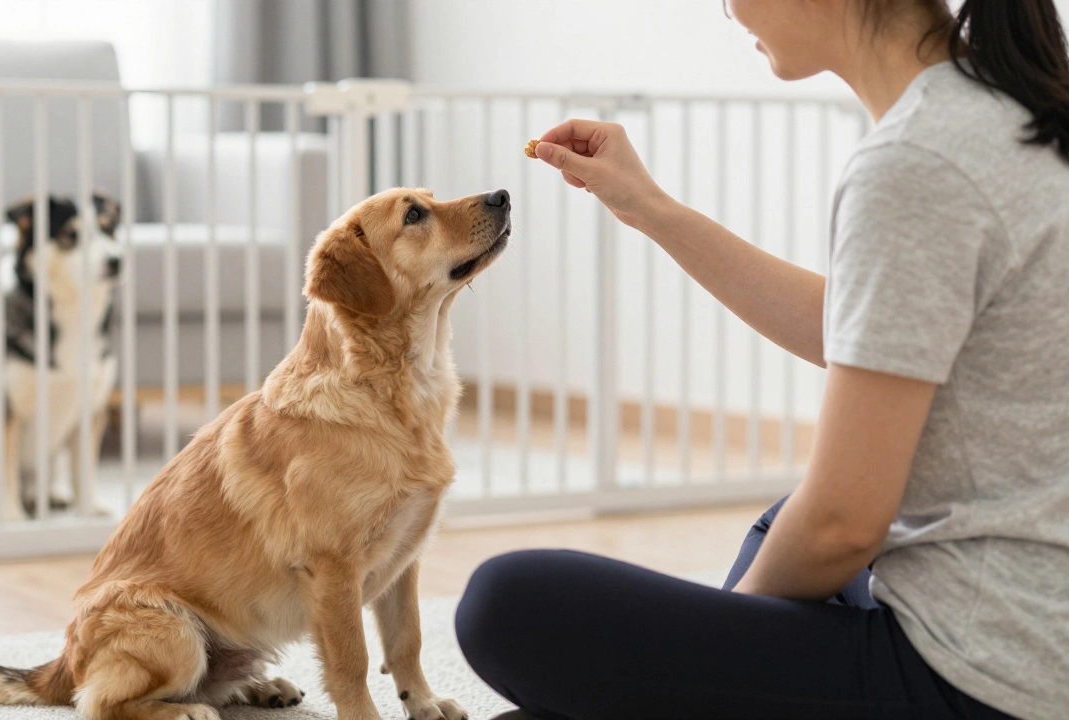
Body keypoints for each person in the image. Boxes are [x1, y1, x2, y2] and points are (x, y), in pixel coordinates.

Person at [454, 1, 1069, 718]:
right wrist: (651, 208)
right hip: (1034, 633)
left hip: (980, 678)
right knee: (783, 523)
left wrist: (719, 643)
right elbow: (860, 328)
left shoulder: (919, 161)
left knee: (507, 602)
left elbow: (844, 523)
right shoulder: (1008, 112)